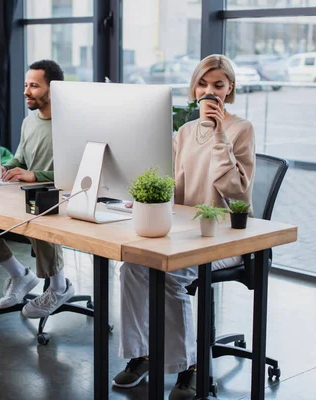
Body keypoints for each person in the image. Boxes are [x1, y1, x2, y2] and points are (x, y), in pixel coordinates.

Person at [112, 54, 256, 399]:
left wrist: (220, 135)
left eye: (218, 85)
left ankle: (190, 366)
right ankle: (143, 353)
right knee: (132, 267)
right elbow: (176, 189)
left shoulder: (241, 130)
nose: (210, 92)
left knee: (170, 275)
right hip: (184, 232)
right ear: (194, 89)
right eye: (203, 84)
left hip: (223, 238)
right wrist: (148, 197)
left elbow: (237, 190)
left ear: (230, 89)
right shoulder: (186, 132)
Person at [0, 59, 75, 319]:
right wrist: (3, 168)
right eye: (26, 85)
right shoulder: (29, 122)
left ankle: (59, 288)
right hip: (24, 196)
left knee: (39, 216)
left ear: (53, 89)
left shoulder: (69, 124)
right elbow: (20, 159)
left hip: (57, 201)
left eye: (34, 86)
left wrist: (34, 175)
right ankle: (19, 275)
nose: (26, 91)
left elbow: (76, 174)